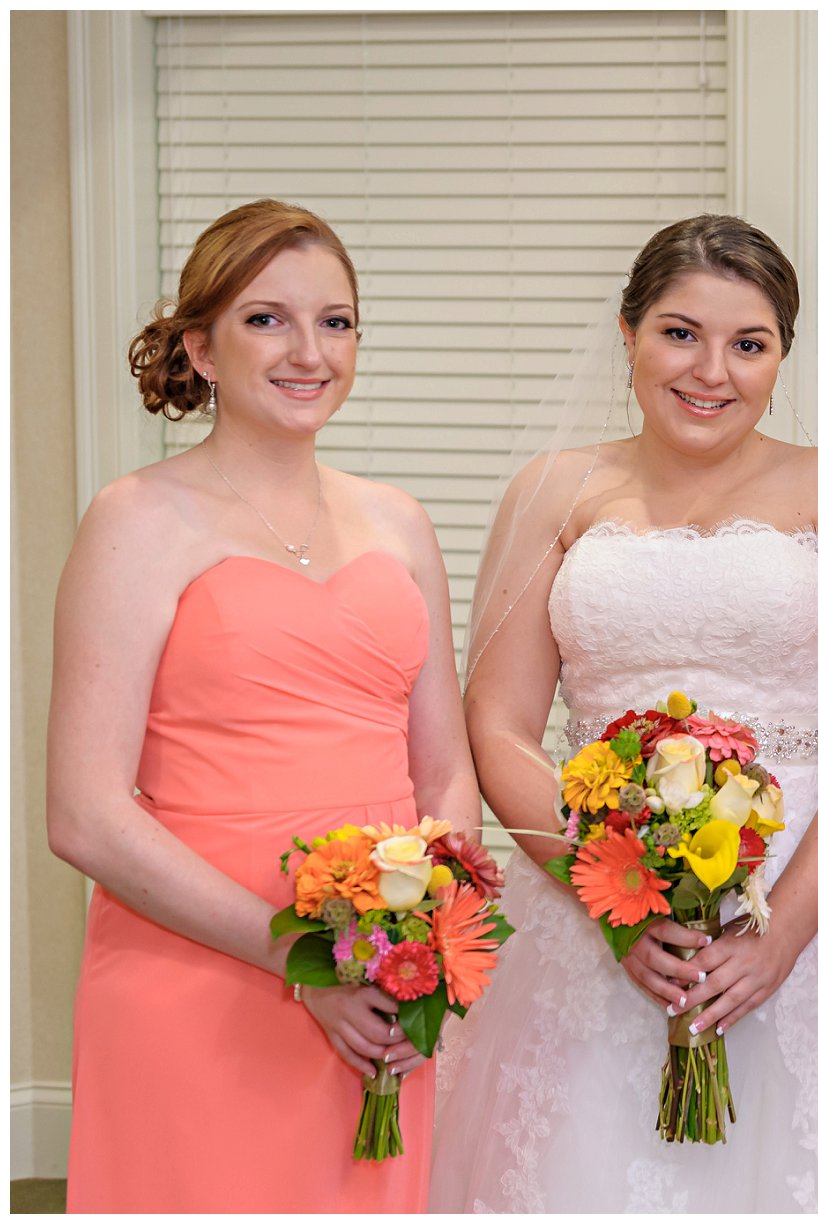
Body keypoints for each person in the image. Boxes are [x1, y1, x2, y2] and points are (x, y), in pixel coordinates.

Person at [429, 214, 818, 1212]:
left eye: (748, 345)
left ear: (781, 357)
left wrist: (782, 935)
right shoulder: (553, 492)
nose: (711, 371)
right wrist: (608, 900)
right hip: (596, 893)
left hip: (805, 896)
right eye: (680, 333)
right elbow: (495, 724)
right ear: (626, 333)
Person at [48, 199, 479, 1211]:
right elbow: (84, 813)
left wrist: (417, 951)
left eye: (336, 321)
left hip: (380, 988)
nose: (309, 351)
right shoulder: (135, 520)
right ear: (199, 345)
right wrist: (304, 963)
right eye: (267, 319)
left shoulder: (399, 522)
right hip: (195, 969)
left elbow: (445, 769)